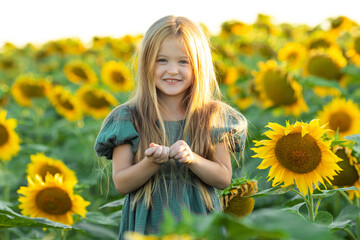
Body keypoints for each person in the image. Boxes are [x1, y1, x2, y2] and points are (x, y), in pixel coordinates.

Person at [94, 15, 247, 239]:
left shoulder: (212, 116)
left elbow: (223, 178)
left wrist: (192, 158)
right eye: (162, 60)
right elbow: (121, 182)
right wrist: (151, 162)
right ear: (147, 63)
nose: (173, 70)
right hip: (148, 226)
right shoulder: (128, 118)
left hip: (199, 224)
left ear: (198, 66)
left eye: (183, 62)